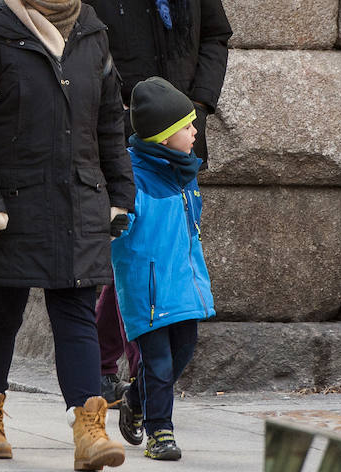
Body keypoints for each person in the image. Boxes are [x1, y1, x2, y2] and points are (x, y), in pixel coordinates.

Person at [0, 0, 134, 471]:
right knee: (1, 311)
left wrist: (120, 191)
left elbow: (110, 122)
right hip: (9, 205)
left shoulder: (92, 32)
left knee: (76, 313)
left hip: (78, 199)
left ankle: (90, 434)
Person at [71, 0, 232, 403]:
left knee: (165, 253)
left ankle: (145, 378)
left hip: (181, 138)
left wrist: (200, 105)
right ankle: (108, 367)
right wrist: (109, 115)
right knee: (126, 255)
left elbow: (215, 35)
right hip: (116, 138)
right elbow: (79, 49)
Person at [110, 77, 216, 461]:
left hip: (184, 280)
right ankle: (160, 433)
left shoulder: (185, 172)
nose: (194, 131)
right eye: (186, 127)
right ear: (163, 137)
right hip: (147, 283)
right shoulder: (131, 177)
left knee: (184, 350)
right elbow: (115, 226)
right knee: (158, 361)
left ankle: (135, 399)